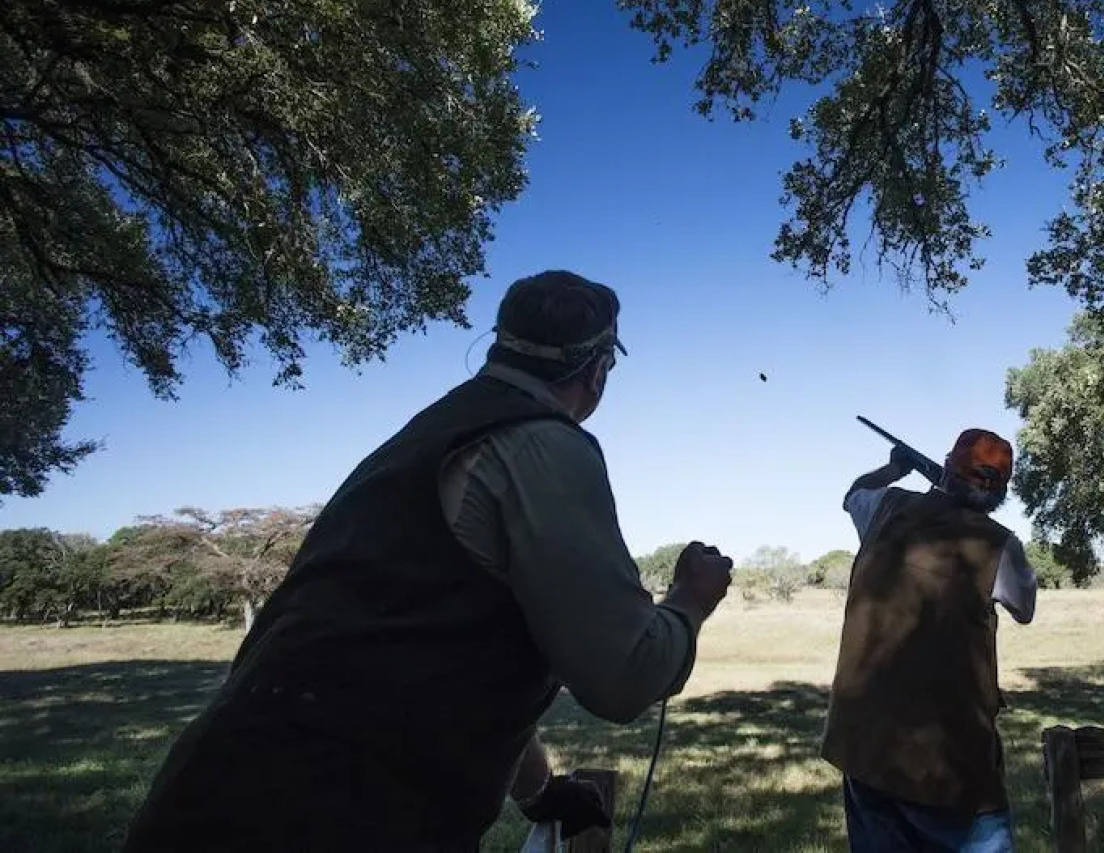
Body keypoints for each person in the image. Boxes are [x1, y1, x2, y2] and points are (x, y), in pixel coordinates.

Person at [122, 270, 735, 853]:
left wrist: (541, 793)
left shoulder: (424, 438)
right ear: (599, 370)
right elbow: (622, 679)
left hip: (207, 795)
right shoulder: (543, 443)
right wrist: (690, 600)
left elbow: (440, 652)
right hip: (346, 816)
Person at [820, 429, 1038, 853]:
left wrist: (896, 468)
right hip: (948, 763)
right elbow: (1024, 607)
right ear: (1000, 491)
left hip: (864, 746)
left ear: (947, 469)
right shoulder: (999, 544)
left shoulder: (886, 507)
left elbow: (854, 493)